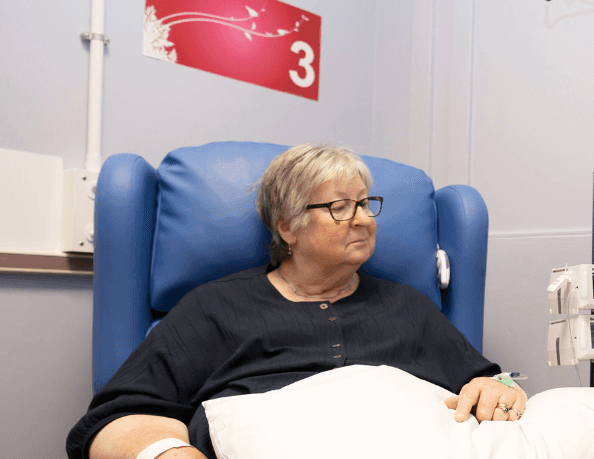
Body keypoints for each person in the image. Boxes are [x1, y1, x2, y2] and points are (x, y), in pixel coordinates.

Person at [67, 145, 526, 459]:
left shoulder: (408, 306)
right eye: (341, 207)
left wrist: (499, 387)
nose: (365, 220)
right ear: (287, 226)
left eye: (367, 204)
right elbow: (114, 419)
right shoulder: (216, 307)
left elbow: (487, 379)